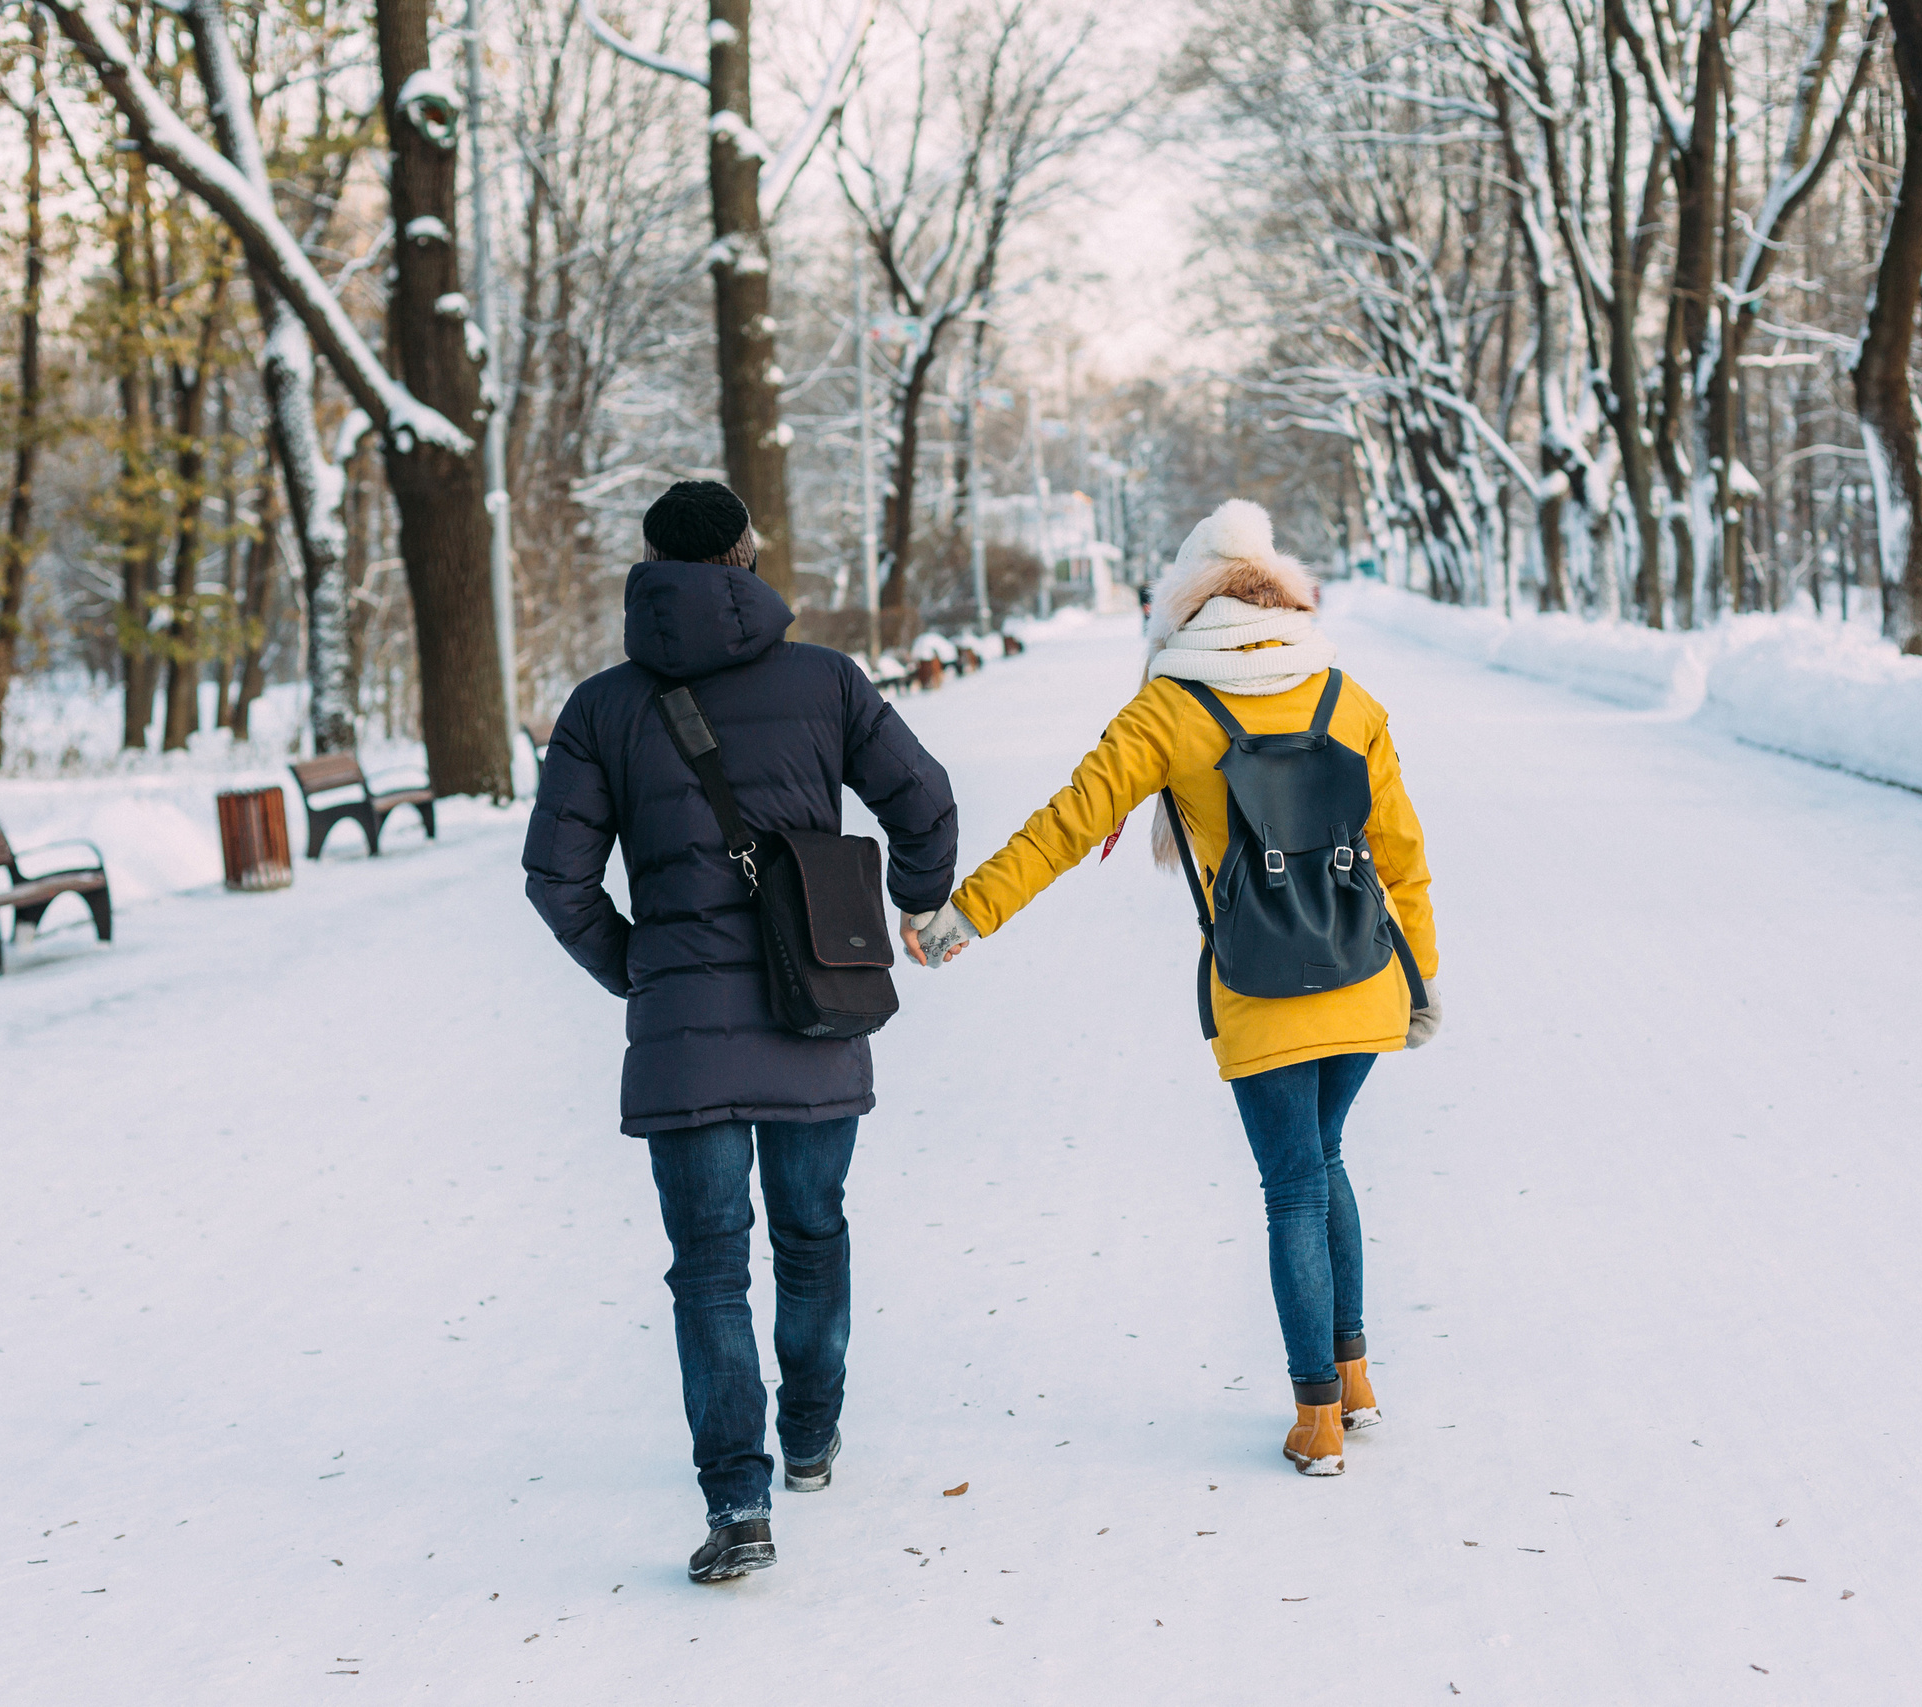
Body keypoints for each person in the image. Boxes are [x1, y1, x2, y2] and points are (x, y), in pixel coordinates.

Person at [908, 498, 1440, 1477]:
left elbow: (1063, 827)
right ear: (1280, 592)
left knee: (1291, 1188)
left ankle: (1315, 1420)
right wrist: (1421, 978)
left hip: (1258, 982)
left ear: (1183, 607)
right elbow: (1402, 857)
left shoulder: (1167, 708)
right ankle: (1354, 1383)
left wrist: (960, 918)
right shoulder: (1345, 697)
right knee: (1324, 1161)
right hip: (1365, 976)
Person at [524, 481, 958, 1581]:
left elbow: (555, 878)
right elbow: (924, 801)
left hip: (681, 1026)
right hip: (817, 1000)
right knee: (811, 1232)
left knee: (709, 1269)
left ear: (652, 569)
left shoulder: (602, 708)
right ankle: (809, 1434)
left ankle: (738, 1504)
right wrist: (910, 902)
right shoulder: (826, 681)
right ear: (745, 556)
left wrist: (636, 967)